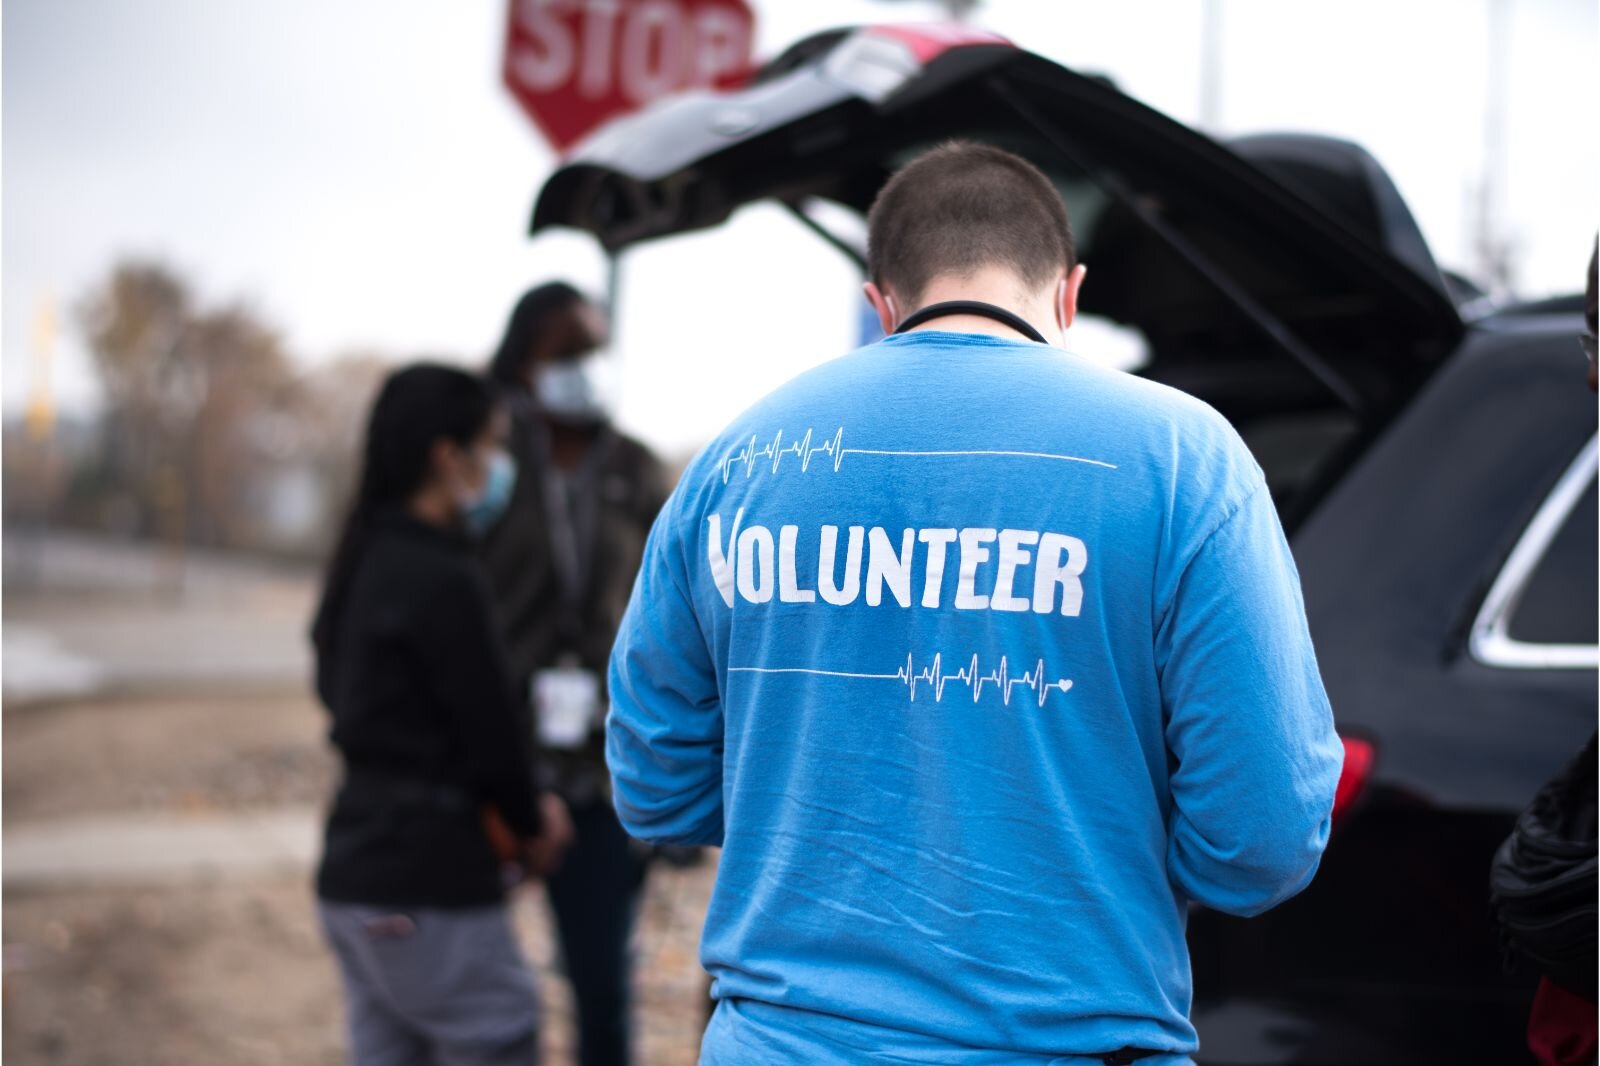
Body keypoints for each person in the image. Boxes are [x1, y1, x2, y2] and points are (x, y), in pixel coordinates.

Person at [606, 142, 1345, 1065]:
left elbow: (655, 790)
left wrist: (801, 810)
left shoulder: (738, 462)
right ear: (1068, 294)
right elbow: (1264, 837)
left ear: (881, 303)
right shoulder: (1181, 458)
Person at [311, 363, 573, 1066]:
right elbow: (493, 733)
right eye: (491, 444)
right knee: (501, 1032)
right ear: (446, 456)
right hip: (428, 885)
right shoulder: (444, 576)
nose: (501, 465)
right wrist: (531, 821)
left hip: (352, 872)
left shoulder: (361, 555)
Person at [480, 284, 671, 1066]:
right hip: (495, 761)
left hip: (601, 771)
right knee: (472, 987)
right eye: (567, 353)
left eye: (596, 348)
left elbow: (677, 617)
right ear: (526, 364)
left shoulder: (638, 469)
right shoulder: (489, 464)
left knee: (603, 989)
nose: (586, 367)